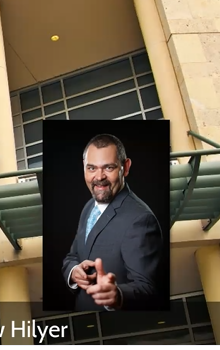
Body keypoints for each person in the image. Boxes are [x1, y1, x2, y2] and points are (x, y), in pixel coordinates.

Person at [61, 133, 164, 312]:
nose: (99, 177)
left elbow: (148, 289)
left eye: (108, 168)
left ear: (125, 167)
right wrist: (74, 272)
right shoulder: (89, 206)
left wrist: (117, 295)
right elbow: (72, 256)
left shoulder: (140, 219)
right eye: (91, 168)